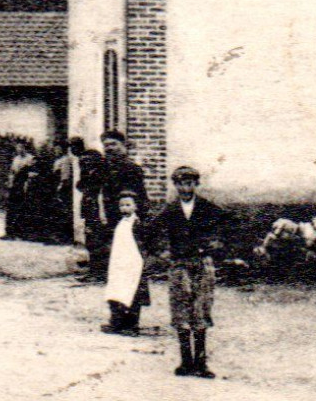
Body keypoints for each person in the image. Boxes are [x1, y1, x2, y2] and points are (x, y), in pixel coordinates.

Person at [145, 166, 225, 379]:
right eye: (180, 183)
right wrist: (162, 252)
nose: (185, 187)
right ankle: (185, 361)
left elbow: (229, 225)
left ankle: (201, 363)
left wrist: (216, 245)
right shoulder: (170, 210)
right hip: (179, 264)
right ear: (175, 185)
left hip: (202, 263)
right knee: (181, 308)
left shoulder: (208, 208)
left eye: (189, 183)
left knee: (201, 307)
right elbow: (149, 232)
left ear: (196, 184)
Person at [79, 130, 146, 283]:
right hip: (103, 210)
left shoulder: (131, 168)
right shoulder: (102, 167)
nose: (109, 148)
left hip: (122, 211)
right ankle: (97, 272)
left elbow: (140, 195)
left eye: (113, 144)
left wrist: (137, 213)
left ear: (123, 145)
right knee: (97, 240)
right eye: (106, 145)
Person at [101, 193, 150, 334]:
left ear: (135, 207)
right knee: (116, 292)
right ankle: (116, 323)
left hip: (132, 264)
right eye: (121, 205)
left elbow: (143, 244)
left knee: (132, 293)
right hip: (119, 264)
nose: (124, 208)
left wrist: (142, 260)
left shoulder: (137, 224)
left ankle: (132, 326)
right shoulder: (120, 224)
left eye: (128, 205)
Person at [2, 142, 35, 240]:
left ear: (25, 148)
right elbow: (12, 172)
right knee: (11, 208)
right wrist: (9, 182)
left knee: (22, 208)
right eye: (17, 148)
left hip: (24, 185)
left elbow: (32, 173)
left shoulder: (30, 159)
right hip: (15, 185)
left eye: (21, 147)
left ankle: (21, 233)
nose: (19, 150)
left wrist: (27, 183)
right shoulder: (16, 159)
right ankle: (9, 232)